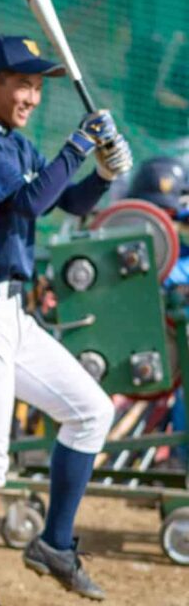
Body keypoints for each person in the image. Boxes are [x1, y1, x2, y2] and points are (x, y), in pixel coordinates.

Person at [0, 35, 134, 606]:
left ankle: (54, 544)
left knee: (90, 411)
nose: (32, 95)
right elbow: (24, 202)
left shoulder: (13, 142)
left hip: (9, 316)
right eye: (21, 83)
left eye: (38, 85)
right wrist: (78, 143)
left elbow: (58, 200)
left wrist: (99, 172)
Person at [128, 156, 189, 468]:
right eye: (156, 215)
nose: (164, 222)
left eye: (169, 216)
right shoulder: (125, 245)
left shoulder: (183, 251)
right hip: (140, 353)